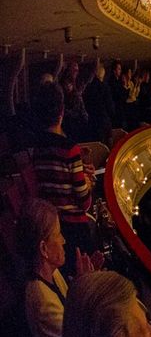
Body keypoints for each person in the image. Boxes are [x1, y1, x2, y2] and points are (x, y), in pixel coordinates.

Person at [18, 199, 101, 337]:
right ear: (44, 249)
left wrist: (82, 282)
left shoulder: (52, 274)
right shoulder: (41, 300)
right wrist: (87, 288)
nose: (64, 240)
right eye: (58, 234)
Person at [28, 80, 95, 271]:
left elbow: (54, 180)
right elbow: (84, 203)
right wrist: (87, 182)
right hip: (74, 231)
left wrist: (77, 169)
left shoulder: (38, 149)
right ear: (61, 111)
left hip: (53, 225)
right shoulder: (70, 149)